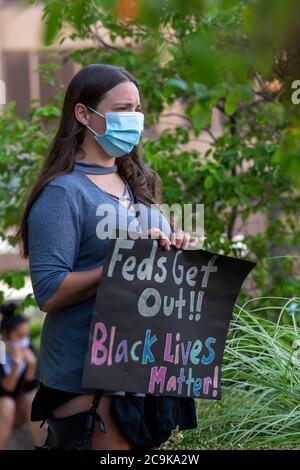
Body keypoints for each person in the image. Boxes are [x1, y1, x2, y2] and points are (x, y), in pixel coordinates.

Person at [14, 63, 199, 450]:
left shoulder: (139, 185)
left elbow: (148, 274)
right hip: (89, 380)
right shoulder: (64, 193)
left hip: (143, 368)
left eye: (136, 108)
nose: (133, 119)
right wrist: (125, 260)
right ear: (83, 114)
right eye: (120, 110)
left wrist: (174, 251)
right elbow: (49, 293)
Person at [0, 302, 45, 449]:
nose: (23, 340)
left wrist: (31, 366)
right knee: (7, 403)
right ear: (5, 334)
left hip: (19, 407)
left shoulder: (27, 346)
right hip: (5, 407)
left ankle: (41, 446)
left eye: (25, 335)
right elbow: (6, 389)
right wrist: (16, 367)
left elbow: (29, 386)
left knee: (32, 397)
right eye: (19, 336)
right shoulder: (1, 349)